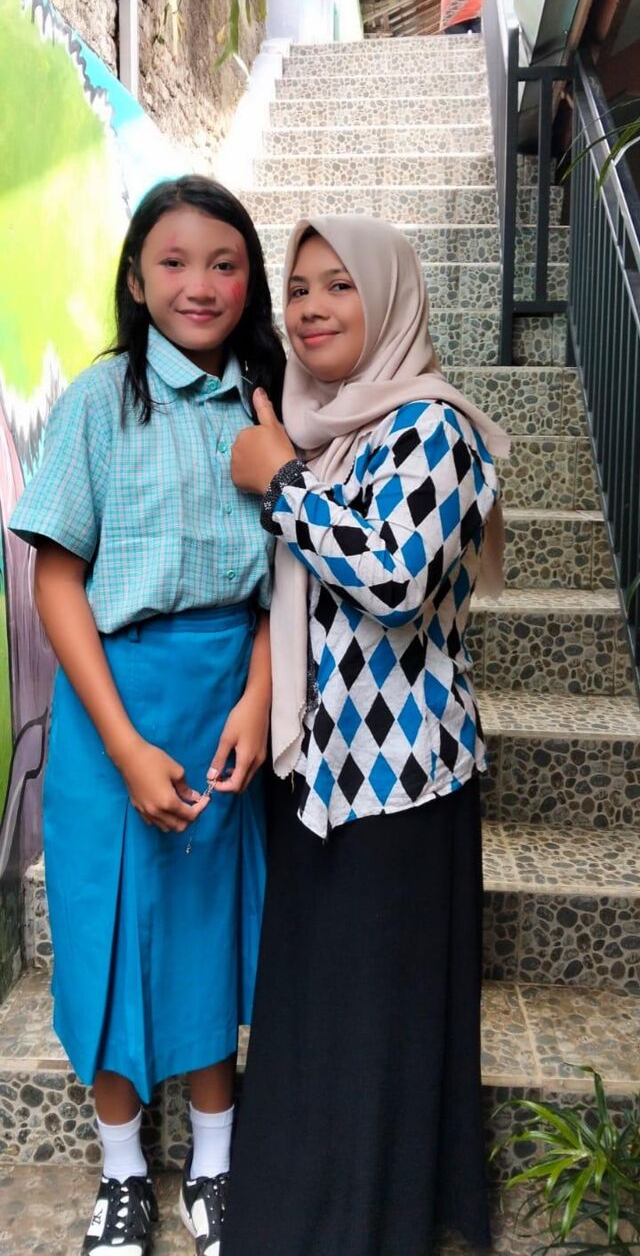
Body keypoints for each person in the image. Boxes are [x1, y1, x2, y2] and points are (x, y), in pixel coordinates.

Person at [223, 214, 510, 1256]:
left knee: (377, 1024)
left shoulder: (437, 429)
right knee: (317, 1015)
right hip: (314, 776)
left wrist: (280, 484)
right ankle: (300, 1215)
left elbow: (392, 578)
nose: (311, 309)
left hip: (399, 783)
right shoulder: (318, 429)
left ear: (389, 298)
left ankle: (370, 1224)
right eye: (298, 288)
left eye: (339, 285)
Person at [10, 176, 285, 1256]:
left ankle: (215, 1164)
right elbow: (56, 581)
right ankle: (122, 1173)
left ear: (249, 280)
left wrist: (259, 698)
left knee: (210, 935)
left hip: (226, 706)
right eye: (173, 262)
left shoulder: (269, 405)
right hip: (109, 711)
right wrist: (123, 746)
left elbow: (283, 583)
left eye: (224, 262)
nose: (199, 284)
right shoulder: (99, 399)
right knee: (104, 938)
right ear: (136, 278)